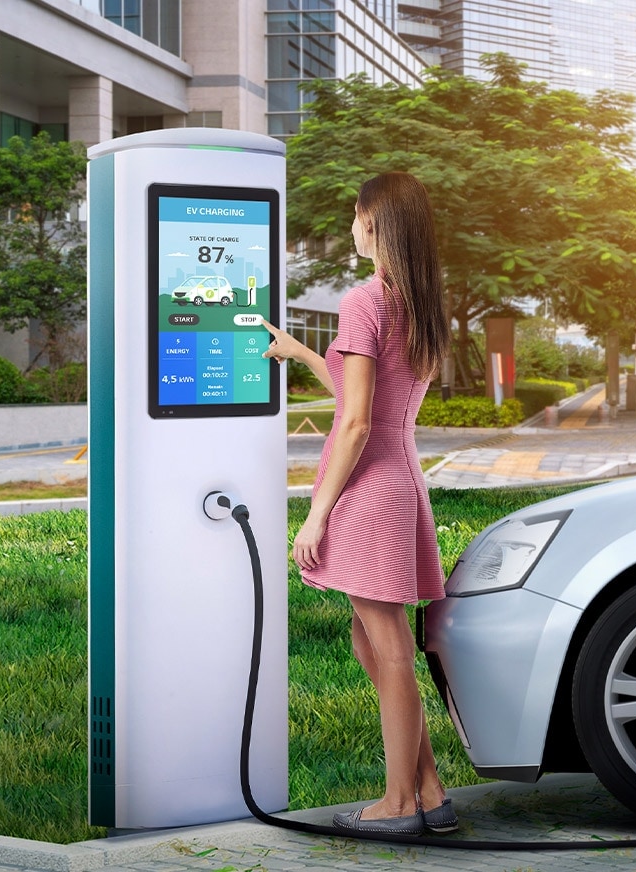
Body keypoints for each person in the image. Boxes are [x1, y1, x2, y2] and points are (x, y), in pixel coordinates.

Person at [261, 172, 456, 836]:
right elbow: (364, 391)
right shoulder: (418, 302)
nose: (350, 225)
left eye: (354, 214)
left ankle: (398, 804)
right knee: (371, 640)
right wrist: (303, 354)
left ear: (374, 223)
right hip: (402, 480)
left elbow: (355, 423)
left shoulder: (364, 300)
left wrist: (317, 512)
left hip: (368, 488)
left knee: (387, 643)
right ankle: (428, 790)